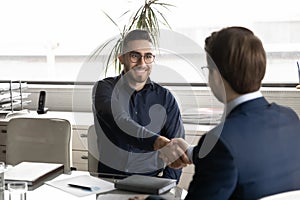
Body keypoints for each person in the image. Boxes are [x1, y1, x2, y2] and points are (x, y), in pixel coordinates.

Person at [141, 26, 300, 200]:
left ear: (216, 76)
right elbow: (246, 154)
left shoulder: (221, 141)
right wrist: (192, 153)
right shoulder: (290, 119)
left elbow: (227, 153)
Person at [92, 29, 185, 183]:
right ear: (122, 58)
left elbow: (176, 150)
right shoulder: (104, 89)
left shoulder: (165, 98)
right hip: (109, 183)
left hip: (150, 182)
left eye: (148, 56)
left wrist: (164, 188)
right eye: (135, 56)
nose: (142, 63)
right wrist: (158, 142)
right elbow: (119, 121)